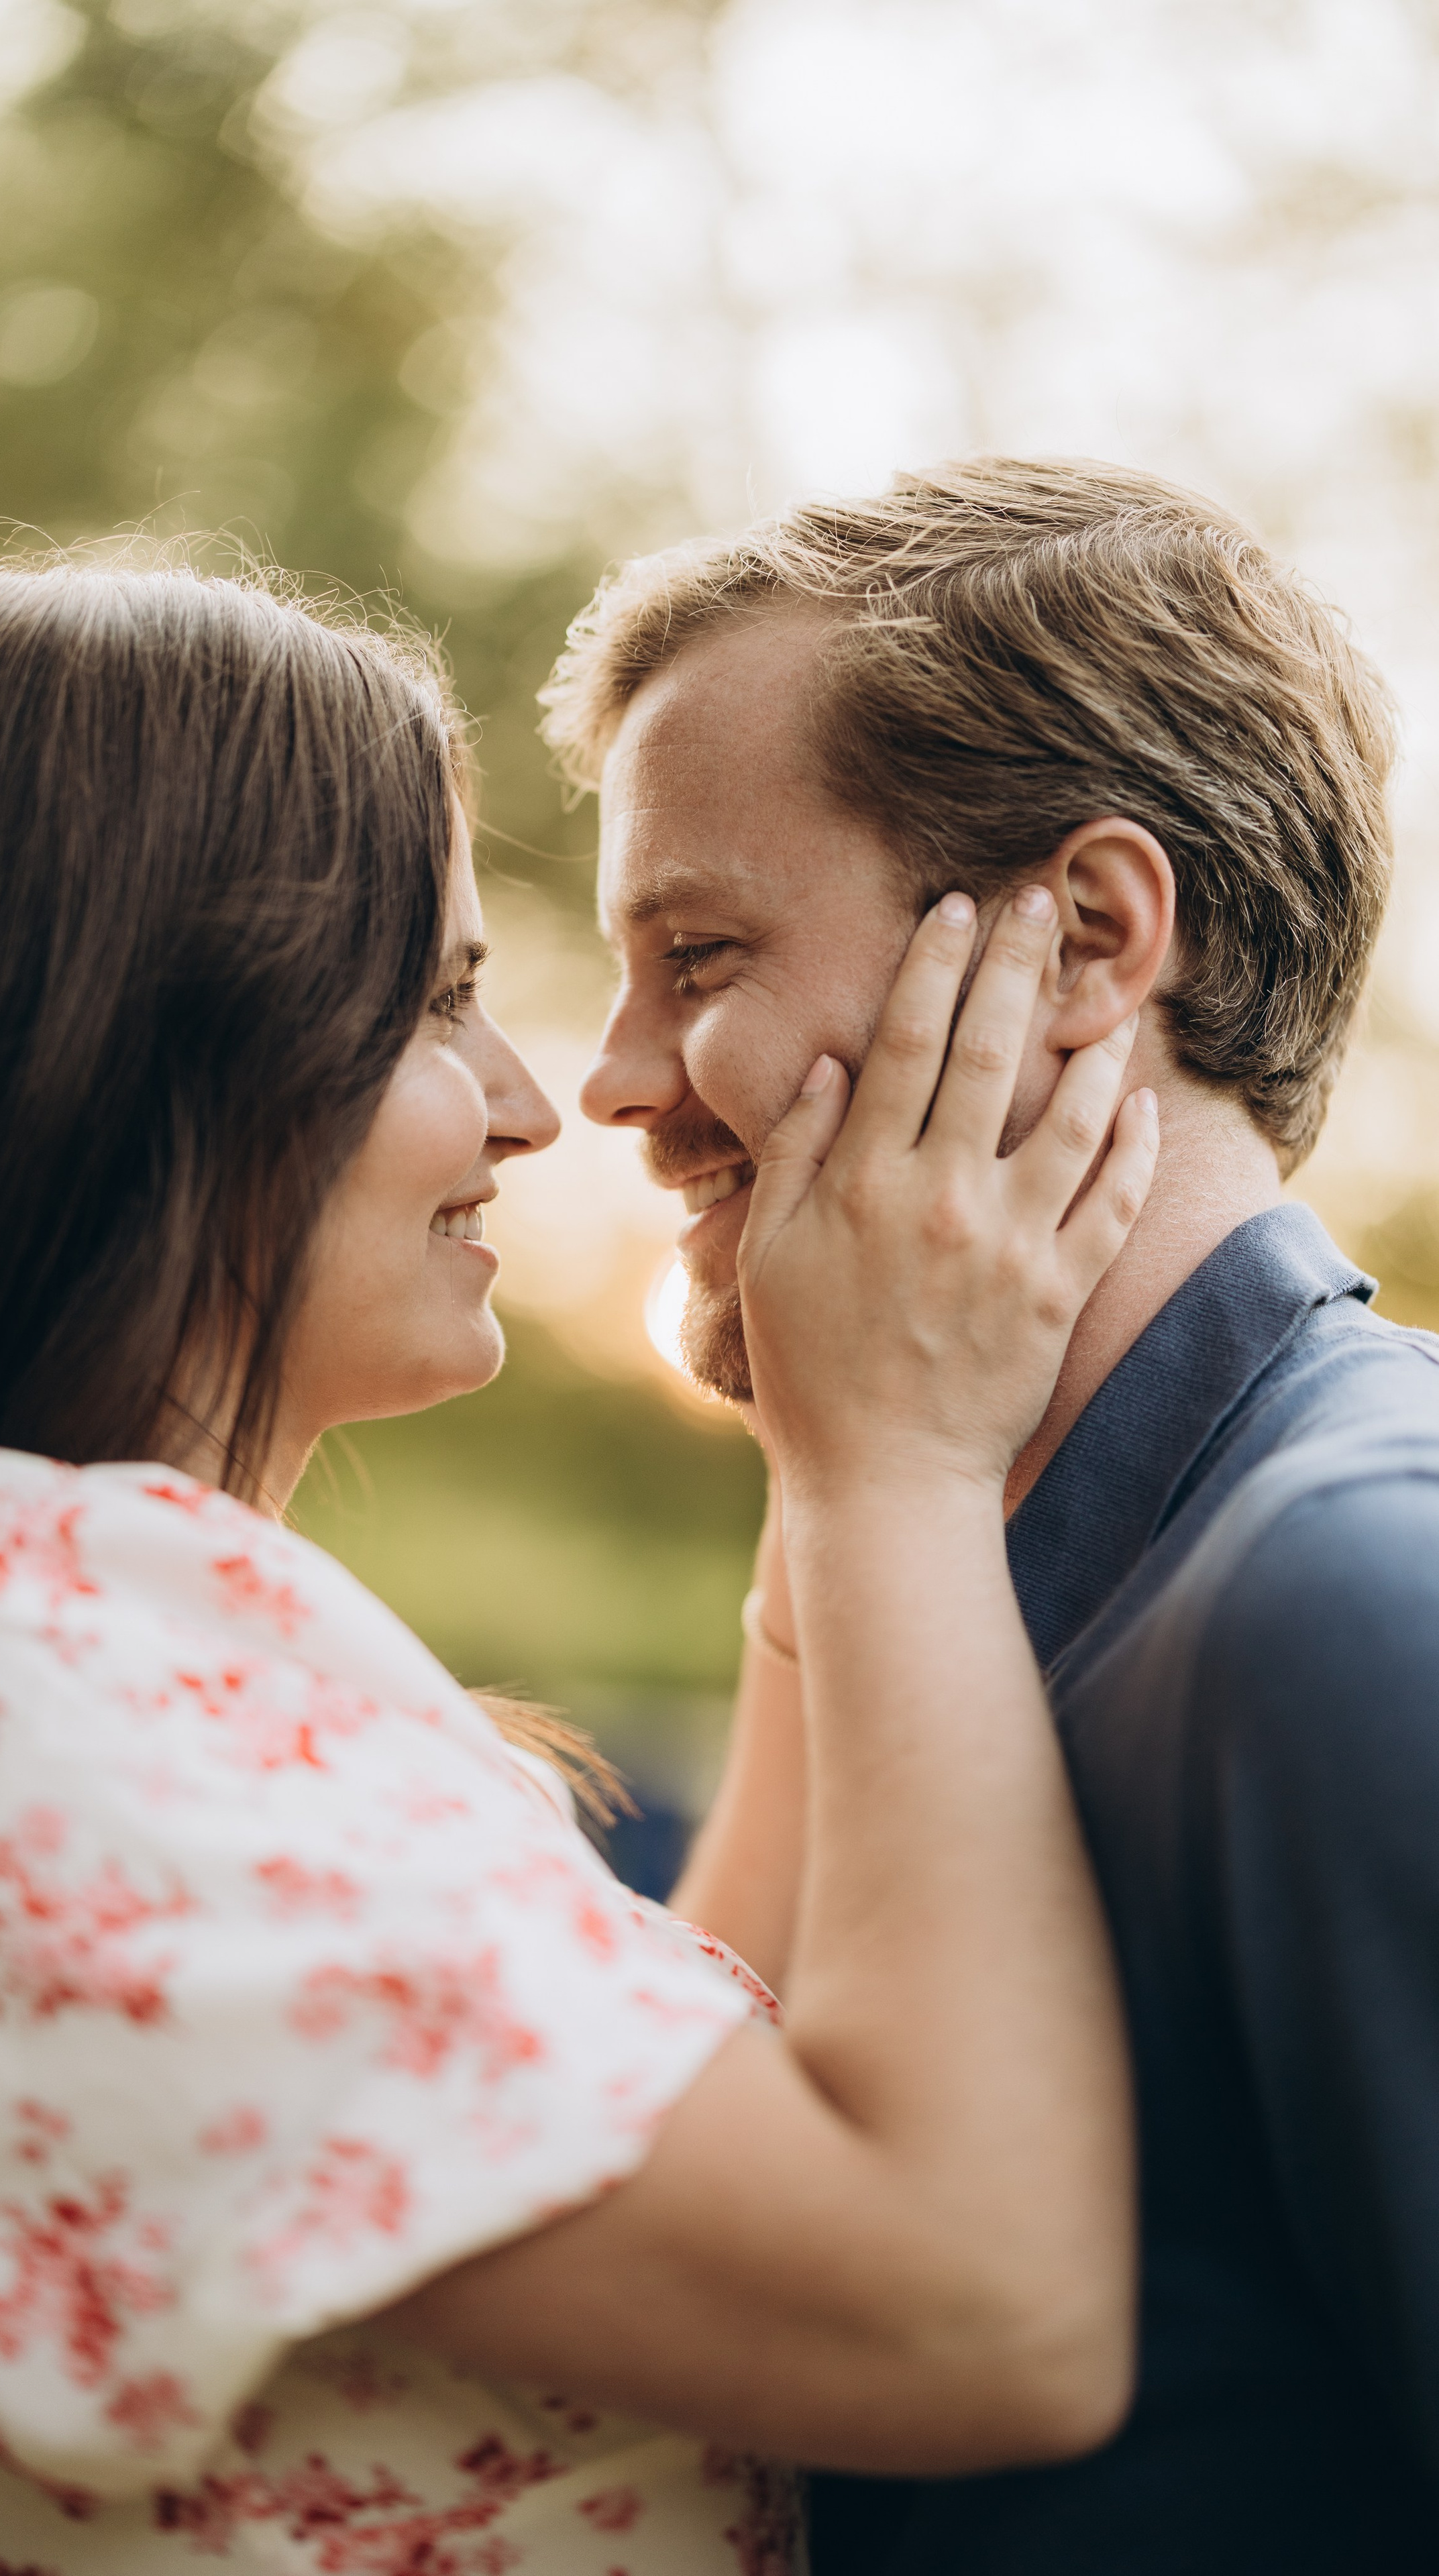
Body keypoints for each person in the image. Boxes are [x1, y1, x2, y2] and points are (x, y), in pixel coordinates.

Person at [0, 564, 1148, 2576]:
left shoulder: (47, 1621)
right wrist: (899, 1475)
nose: (531, 1103)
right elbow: (983, 2312)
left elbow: (687, 2102)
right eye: (433, 1002)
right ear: (141, 1040)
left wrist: (840, 1453)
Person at [545, 454, 1439, 2574]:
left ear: (1087, 942)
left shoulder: (1348, 1607)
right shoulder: (950, 1569)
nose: (609, 1080)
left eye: (700, 953)